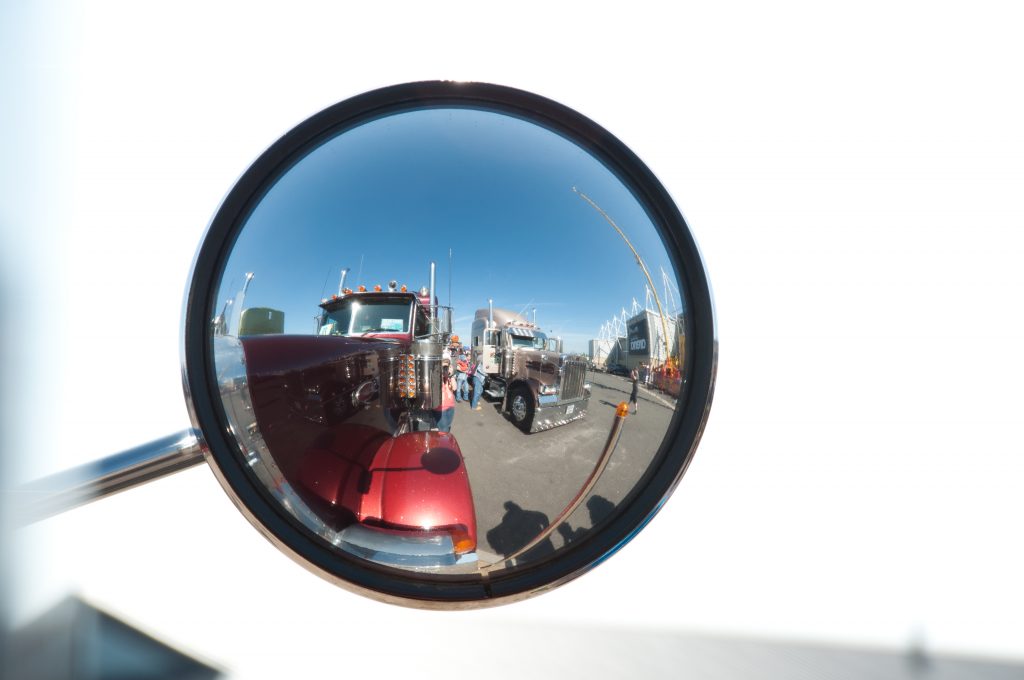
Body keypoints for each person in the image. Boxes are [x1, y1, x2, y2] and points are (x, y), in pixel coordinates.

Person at [434, 361, 457, 432]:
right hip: (440, 409)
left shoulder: (449, 378)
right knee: (444, 430)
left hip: (450, 406)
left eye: (446, 367)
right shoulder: (435, 377)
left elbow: (454, 388)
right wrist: (439, 373)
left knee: (448, 426)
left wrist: (451, 375)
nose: (444, 369)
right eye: (443, 367)